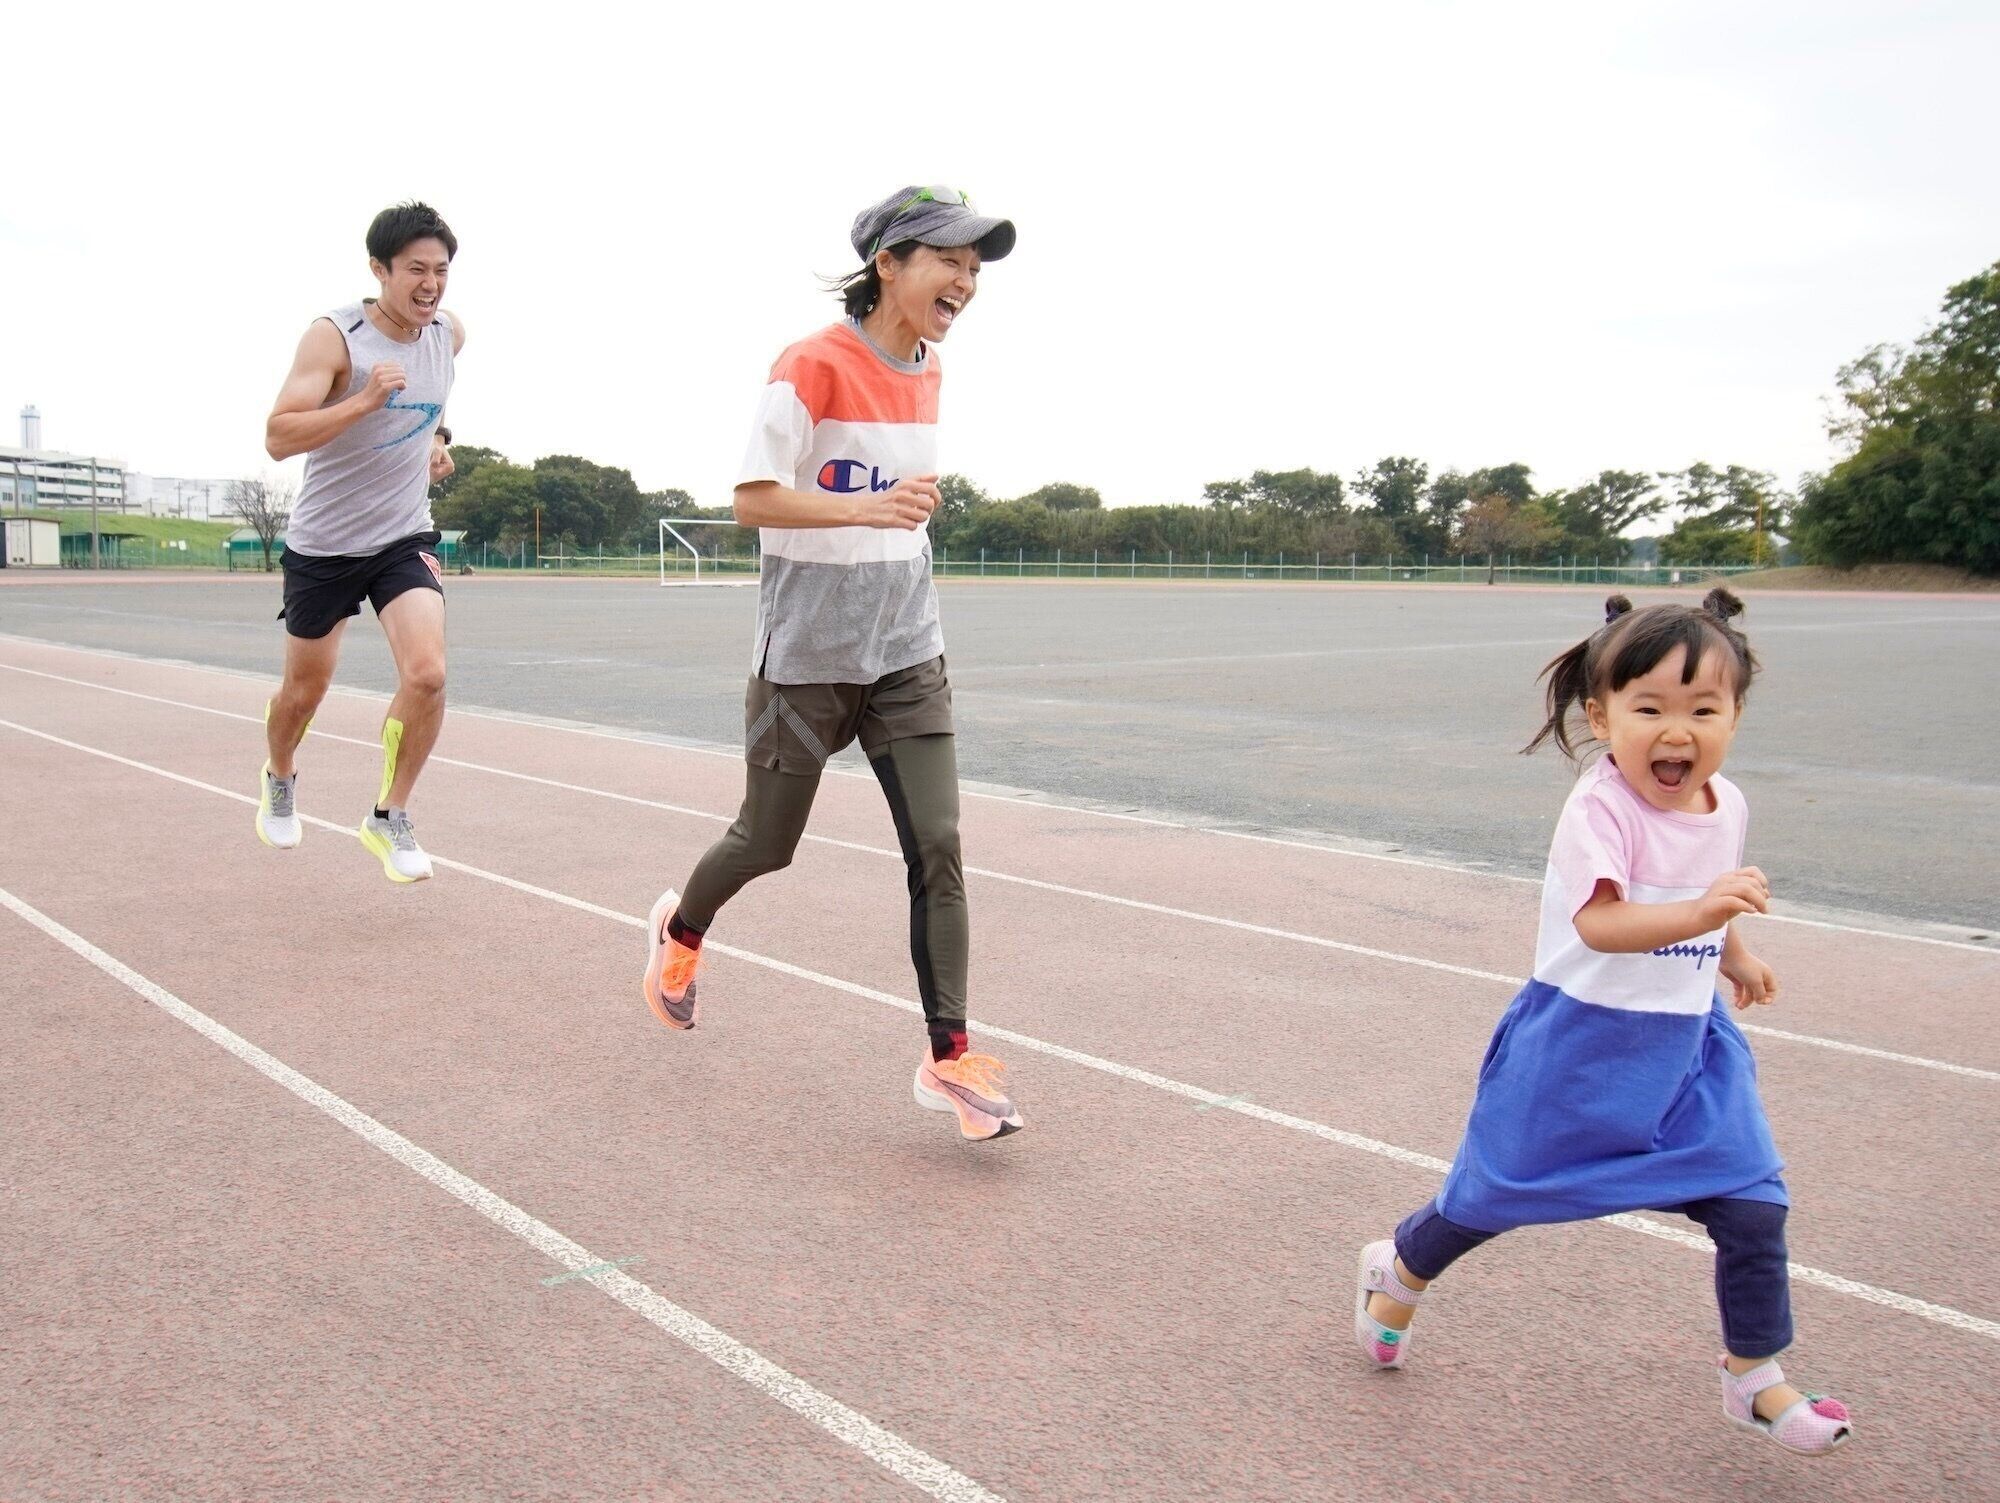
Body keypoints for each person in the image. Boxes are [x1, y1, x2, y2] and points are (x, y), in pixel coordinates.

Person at [1353, 590, 1852, 1456]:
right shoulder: (1600, 809)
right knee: (1490, 1199)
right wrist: (1704, 916)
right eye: (1649, 706)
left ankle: (1754, 1376)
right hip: (1580, 1044)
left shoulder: (1725, 803)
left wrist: (1731, 953)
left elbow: (1702, 889)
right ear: (1600, 712)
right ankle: (1398, 1268)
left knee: (1752, 1206)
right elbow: (1604, 923)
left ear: (1735, 715)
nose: (1678, 731)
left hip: (1689, 1049)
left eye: (1705, 709)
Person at [641, 186, 1026, 1141]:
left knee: (938, 845)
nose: (966, 284)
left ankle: (951, 1061)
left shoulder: (932, 368)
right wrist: (868, 505)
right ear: (889, 263)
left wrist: (893, 516)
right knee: (766, 843)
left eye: (976, 270)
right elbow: (749, 498)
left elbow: (898, 507)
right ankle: (680, 933)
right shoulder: (810, 364)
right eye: (950, 262)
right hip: (806, 659)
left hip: (905, 651)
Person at [255, 202, 466, 883]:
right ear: (379, 270)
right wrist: (362, 402)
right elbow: (280, 435)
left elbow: (433, 398)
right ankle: (280, 772)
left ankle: (388, 813)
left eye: (441, 270)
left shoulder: (448, 335)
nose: (431, 284)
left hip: (402, 535)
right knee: (305, 690)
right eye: (415, 270)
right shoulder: (335, 339)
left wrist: (434, 440)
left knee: (428, 672)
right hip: (324, 544)